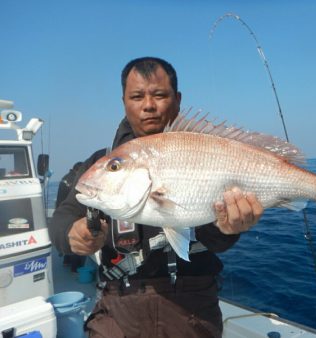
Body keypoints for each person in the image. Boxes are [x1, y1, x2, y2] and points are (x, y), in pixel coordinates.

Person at [49, 56, 264, 338]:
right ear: (124, 101)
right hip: (118, 307)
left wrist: (228, 228)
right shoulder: (99, 163)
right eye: (137, 96)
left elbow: (215, 242)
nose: (148, 105)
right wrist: (70, 234)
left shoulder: (206, 150)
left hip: (191, 309)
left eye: (159, 95)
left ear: (177, 99)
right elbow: (62, 218)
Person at [56, 161, 86, 272]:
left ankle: (66, 261)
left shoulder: (65, 178)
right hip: (72, 214)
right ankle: (75, 267)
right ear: (79, 170)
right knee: (75, 241)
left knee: (67, 238)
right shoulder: (75, 180)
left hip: (61, 212)